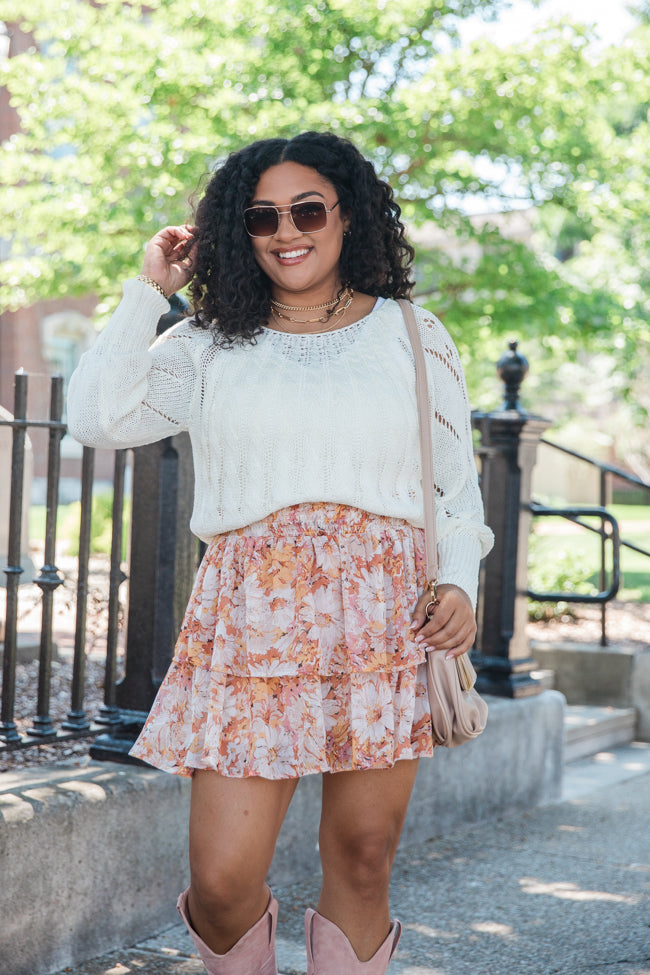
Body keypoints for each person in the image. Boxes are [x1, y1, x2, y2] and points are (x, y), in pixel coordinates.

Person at [67, 130, 493, 975]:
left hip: (385, 613)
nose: (285, 230)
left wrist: (459, 581)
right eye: (261, 215)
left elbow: (456, 488)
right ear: (238, 228)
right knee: (223, 881)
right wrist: (148, 290)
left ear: (348, 216)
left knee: (364, 859)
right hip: (250, 616)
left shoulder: (413, 332)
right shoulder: (206, 342)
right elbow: (95, 418)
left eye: (307, 209)